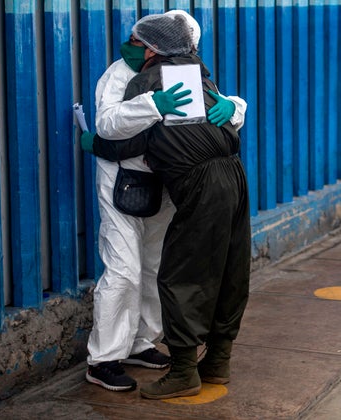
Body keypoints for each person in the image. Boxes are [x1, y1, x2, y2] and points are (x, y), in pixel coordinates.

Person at [88, 13, 251, 400]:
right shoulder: (123, 77)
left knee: (159, 266)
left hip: (170, 182)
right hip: (125, 182)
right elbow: (109, 126)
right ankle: (105, 358)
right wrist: (150, 106)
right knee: (125, 269)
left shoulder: (182, 74)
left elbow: (211, 110)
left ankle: (142, 342)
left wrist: (233, 106)